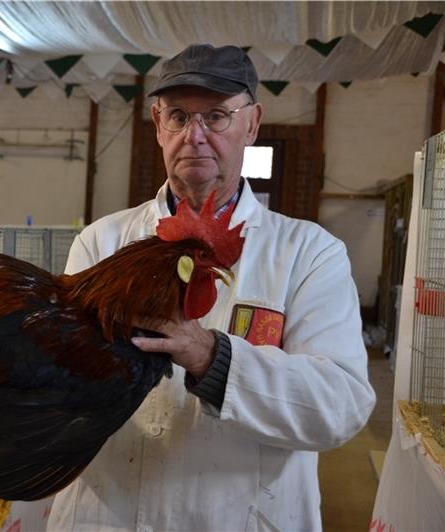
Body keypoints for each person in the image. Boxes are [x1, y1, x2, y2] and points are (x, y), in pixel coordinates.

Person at [47, 44, 376, 531]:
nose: (194, 136)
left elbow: (340, 406)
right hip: (111, 512)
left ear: (252, 123)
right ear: (158, 125)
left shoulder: (309, 253)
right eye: (178, 116)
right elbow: (59, 384)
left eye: (217, 116)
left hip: (243, 515)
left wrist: (212, 358)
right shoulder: (102, 242)